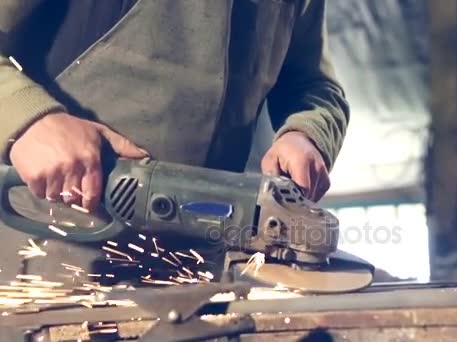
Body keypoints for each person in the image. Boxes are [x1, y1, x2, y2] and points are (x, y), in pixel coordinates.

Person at [0, 0, 349, 282]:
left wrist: (308, 133)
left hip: (197, 267)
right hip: (48, 250)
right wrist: (29, 119)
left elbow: (316, 86)